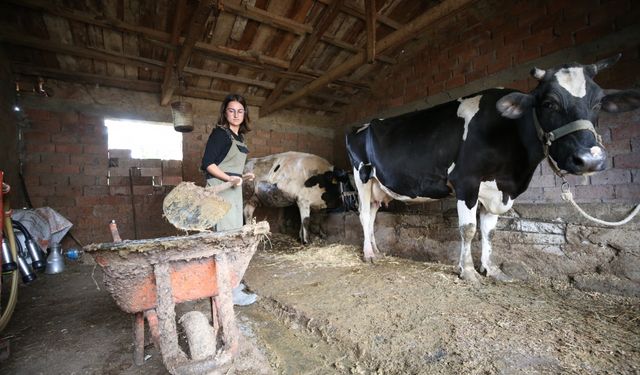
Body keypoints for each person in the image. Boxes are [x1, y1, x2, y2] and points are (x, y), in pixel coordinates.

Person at [201, 93, 257, 306]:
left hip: (233, 189)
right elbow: (208, 164)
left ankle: (232, 282)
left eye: (240, 111)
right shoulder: (220, 134)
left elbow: (232, 167)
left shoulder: (239, 137)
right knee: (225, 239)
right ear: (225, 112)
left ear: (245, 114)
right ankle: (229, 292)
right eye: (232, 110)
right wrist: (230, 178)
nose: (236, 114)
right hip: (220, 189)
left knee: (233, 237)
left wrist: (243, 176)